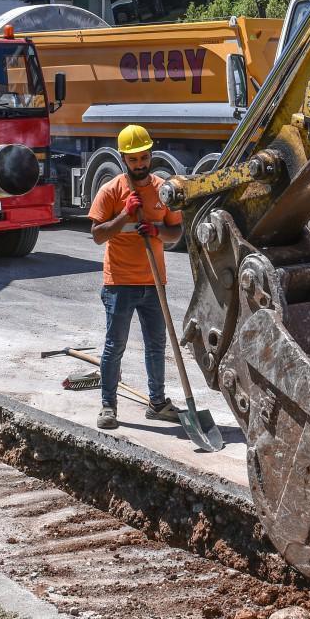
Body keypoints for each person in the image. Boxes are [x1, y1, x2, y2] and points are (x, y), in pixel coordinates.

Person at [87, 125, 183, 430]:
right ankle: (107, 406)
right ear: (123, 159)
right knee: (115, 346)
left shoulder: (162, 190)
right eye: (133, 159)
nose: (140, 164)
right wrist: (125, 216)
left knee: (157, 346)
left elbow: (177, 231)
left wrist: (156, 230)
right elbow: (98, 235)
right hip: (119, 283)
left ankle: (157, 403)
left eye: (143, 157)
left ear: (150, 154)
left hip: (154, 283)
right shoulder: (112, 191)